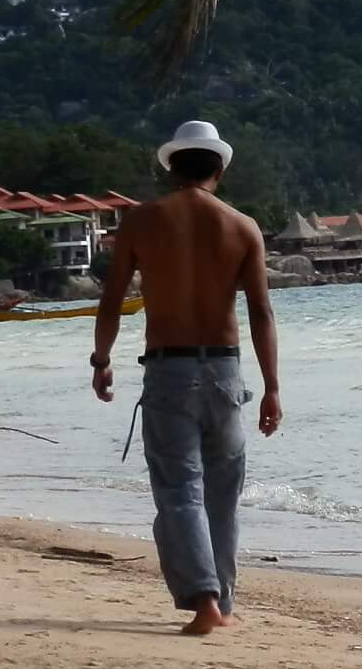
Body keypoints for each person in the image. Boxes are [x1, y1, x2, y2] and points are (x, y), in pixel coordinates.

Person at [91, 119, 283, 636]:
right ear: (219, 168)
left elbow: (111, 301)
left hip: (169, 368)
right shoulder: (242, 226)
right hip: (226, 367)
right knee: (222, 494)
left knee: (181, 490)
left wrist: (101, 359)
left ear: (172, 167)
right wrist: (272, 388)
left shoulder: (141, 221)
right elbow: (261, 312)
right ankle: (221, 598)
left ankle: (205, 601)